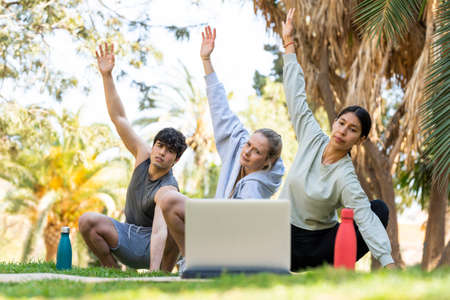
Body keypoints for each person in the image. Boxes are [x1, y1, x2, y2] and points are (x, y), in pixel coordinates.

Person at [157, 26, 285, 265]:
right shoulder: (238, 148)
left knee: (171, 202)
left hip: (237, 243)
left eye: (256, 151)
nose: (246, 152)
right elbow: (220, 108)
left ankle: (199, 263)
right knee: (168, 201)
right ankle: (189, 263)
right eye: (248, 144)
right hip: (217, 231)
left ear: (268, 161)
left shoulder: (260, 185)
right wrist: (206, 60)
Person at [280, 8, 395, 270]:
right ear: (334, 123)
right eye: (341, 123)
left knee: (377, 209)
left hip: (320, 246)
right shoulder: (312, 136)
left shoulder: (345, 176)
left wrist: (388, 263)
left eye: (352, 129)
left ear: (360, 139)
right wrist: (289, 45)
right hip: (281, 237)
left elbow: (365, 218)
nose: (343, 130)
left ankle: (328, 269)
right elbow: (296, 97)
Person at [78, 43, 187, 272]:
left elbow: (159, 231)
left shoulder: (168, 190)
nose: (161, 153)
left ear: (175, 160)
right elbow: (119, 118)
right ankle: (112, 270)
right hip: (127, 236)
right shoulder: (142, 155)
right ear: (154, 145)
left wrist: (153, 271)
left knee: (172, 232)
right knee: (87, 220)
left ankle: (162, 276)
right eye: (160, 146)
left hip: (153, 246)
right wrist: (107, 76)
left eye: (169, 151)